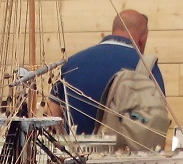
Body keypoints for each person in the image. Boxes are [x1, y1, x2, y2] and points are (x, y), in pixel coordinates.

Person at [49, 9, 164, 138]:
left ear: (114, 29)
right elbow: (156, 122)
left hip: (73, 149)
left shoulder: (71, 64)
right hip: (123, 150)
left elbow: (52, 114)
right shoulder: (147, 68)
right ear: (143, 39)